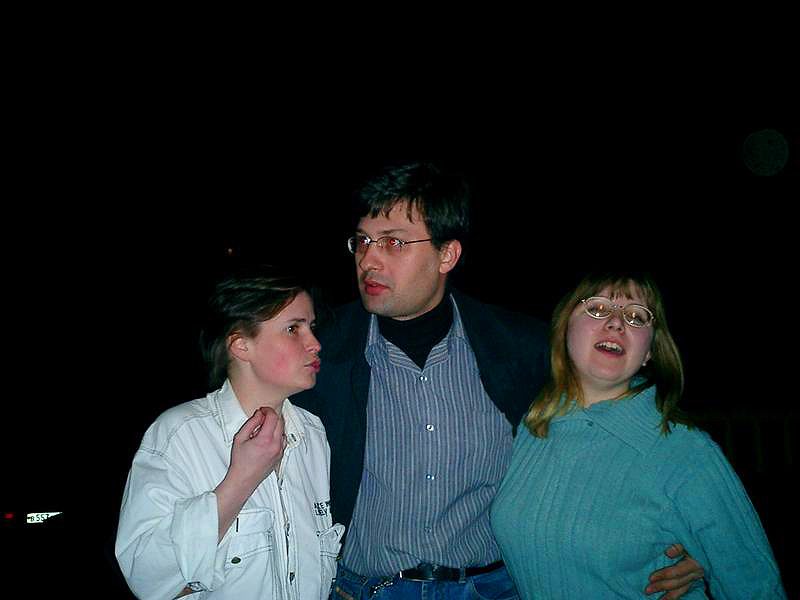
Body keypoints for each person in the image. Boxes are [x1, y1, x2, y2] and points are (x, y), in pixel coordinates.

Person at [292, 162, 703, 599]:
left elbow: (621, 425)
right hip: (366, 589)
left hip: (493, 589)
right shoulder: (319, 353)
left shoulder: (519, 350)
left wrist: (696, 531)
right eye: (363, 241)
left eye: (393, 242)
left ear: (447, 255)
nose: (368, 259)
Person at [490, 271, 787, 599]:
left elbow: (755, 584)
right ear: (564, 328)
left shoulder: (685, 452)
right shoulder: (529, 427)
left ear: (649, 352)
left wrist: (710, 558)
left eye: (636, 316)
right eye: (598, 308)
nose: (617, 323)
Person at [115, 266, 344, 599]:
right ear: (241, 346)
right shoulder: (180, 434)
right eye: (293, 328)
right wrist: (240, 479)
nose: (315, 344)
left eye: (311, 327)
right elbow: (146, 579)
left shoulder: (312, 433)